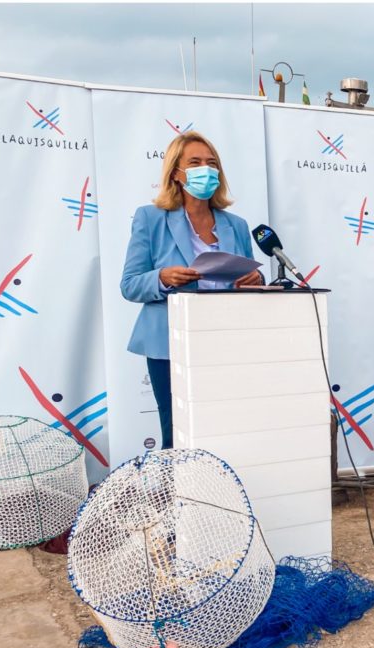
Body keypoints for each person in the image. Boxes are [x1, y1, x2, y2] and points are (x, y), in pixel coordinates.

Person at [121, 131, 263, 449]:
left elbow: (249, 278)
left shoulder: (236, 225)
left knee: (227, 427)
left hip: (225, 342)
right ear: (176, 172)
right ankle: (179, 496)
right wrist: (163, 277)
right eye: (195, 162)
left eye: (212, 164)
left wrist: (254, 283)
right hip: (170, 346)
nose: (206, 170)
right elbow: (129, 285)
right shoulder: (151, 218)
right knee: (177, 432)